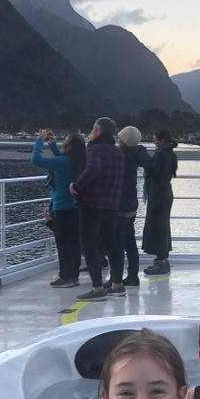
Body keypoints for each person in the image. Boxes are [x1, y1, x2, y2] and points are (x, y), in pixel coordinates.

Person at [70, 117, 125, 301]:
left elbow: (93, 170)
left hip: (92, 204)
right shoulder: (118, 152)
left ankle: (97, 288)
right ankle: (117, 284)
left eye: (93, 130)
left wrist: (76, 186)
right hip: (111, 205)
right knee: (112, 243)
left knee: (90, 245)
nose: (90, 133)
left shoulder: (94, 150)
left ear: (98, 131)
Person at [32, 129, 86, 289]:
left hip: (62, 206)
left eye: (65, 142)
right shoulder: (79, 161)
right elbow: (62, 160)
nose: (63, 143)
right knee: (74, 242)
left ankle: (65, 276)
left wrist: (39, 141)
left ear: (69, 146)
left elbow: (36, 160)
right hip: (77, 206)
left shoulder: (63, 162)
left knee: (62, 242)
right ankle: (74, 276)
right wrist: (53, 146)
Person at [103, 126, 150, 291]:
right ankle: (132, 276)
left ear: (125, 141)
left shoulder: (123, 158)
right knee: (129, 243)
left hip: (120, 206)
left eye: (120, 138)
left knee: (116, 245)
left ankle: (116, 279)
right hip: (131, 206)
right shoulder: (132, 157)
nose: (117, 140)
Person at [141, 129, 178, 275]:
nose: (154, 142)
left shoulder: (161, 155)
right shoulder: (169, 154)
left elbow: (153, 171)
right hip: (163, 193)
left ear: (161, 141)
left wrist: (144, 159)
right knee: (161, 225)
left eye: (155, 140)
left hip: (159, 195)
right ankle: (161, 259)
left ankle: (161, 261)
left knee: (159, 226)